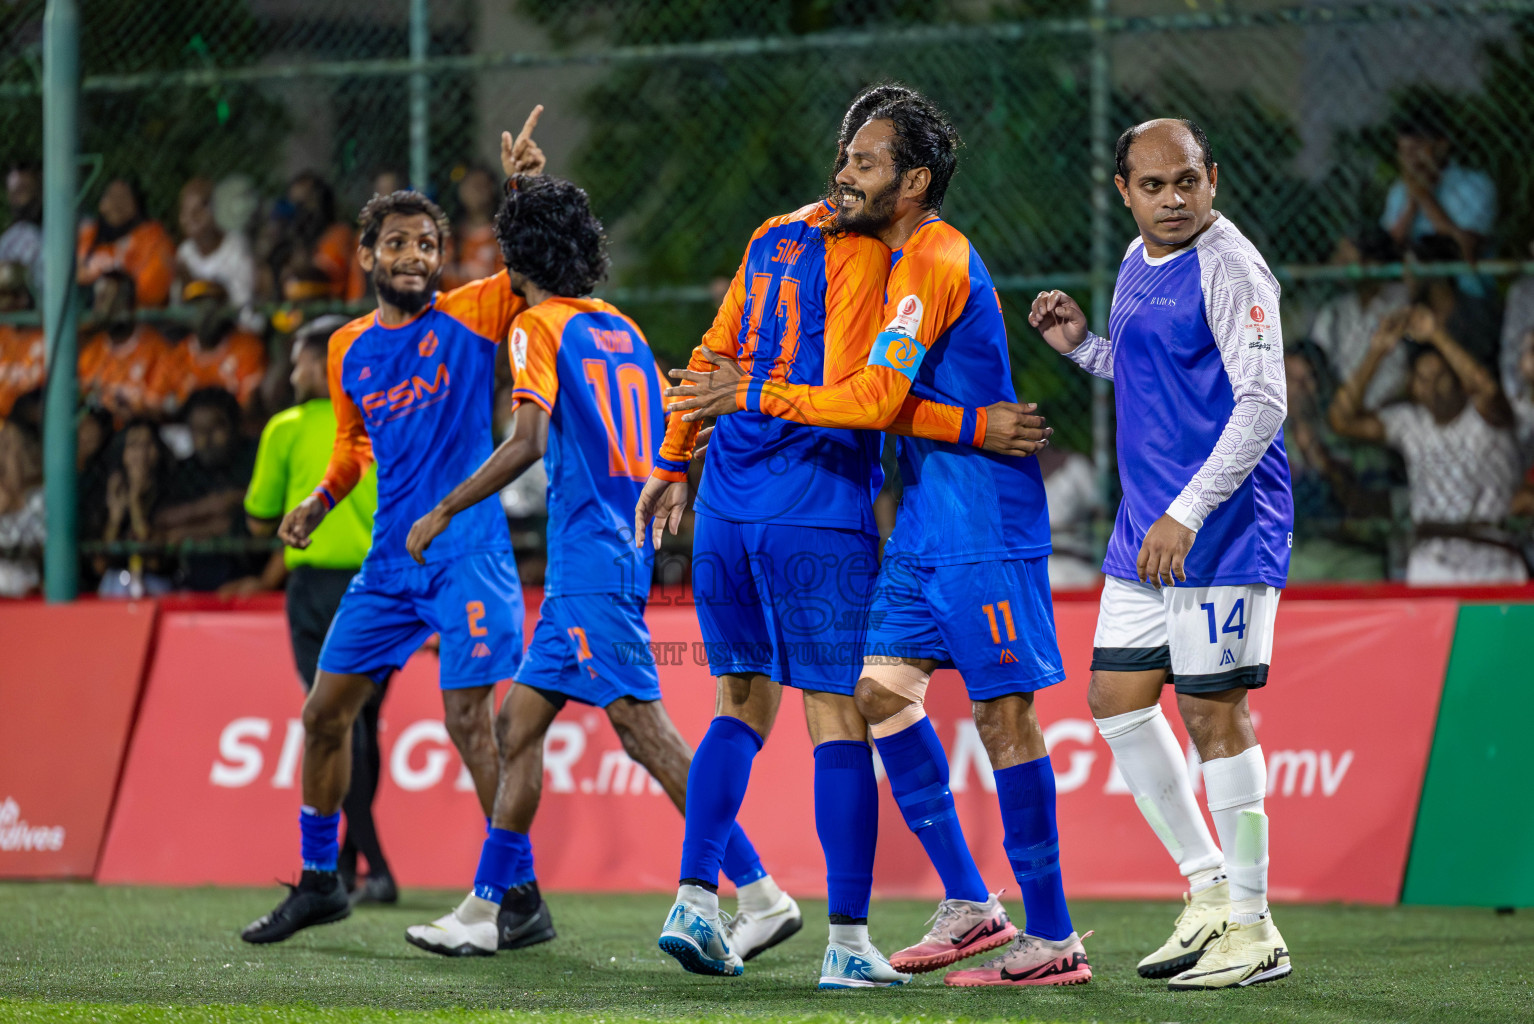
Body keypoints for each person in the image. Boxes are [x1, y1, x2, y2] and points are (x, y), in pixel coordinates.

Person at [662, 91, 1086, 989]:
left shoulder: (932, 256)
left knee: (1003, 716)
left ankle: (1052, 937)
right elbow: (864, 390)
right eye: (845, 157)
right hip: (925, 514)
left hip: (982, 522)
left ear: (914, 180)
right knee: (876, 692)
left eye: (864, 161)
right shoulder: (864, 256)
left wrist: (749, 396)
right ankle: (970, 905)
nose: (844, 173)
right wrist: (969, 421)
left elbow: (873, 400)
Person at [398, 174, 792, 959]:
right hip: (624, 546)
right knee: (519, 724)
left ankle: (760, 892)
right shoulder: (621, 327)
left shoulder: (536, 325)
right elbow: (660, 437)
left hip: (588, 558)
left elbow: (526, 441)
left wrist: (444, 508)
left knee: (646, 735)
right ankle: (486, 908)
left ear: (515, 259)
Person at [239, 108, 547, 946]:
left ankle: (516, 897)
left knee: (468, 724)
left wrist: (521, 185)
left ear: (440, 261)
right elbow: (350, 445)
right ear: (368, 256)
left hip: (468, 556)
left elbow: (532, 262)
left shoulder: (475, 314)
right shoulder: (345, 349)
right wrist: (317, 500)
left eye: (426, 246)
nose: (413, 256)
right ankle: (320, 880)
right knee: (323, 715)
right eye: (397, 243)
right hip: (388, 564)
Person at [1031, 117, 1293, 989]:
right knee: (1114, 701)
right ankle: (1210, 887)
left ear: (1212, 178)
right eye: (1154, 186)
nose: (1173, 199)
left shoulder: (1233, 266)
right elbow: (1157, 371)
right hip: (1149, 530)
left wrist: (1183, 513)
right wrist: (1082, 350)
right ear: (1124, 193)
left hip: (1219, 531)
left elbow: (1261, 403)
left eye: (1187, 181)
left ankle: (1255, 932)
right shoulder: (1136, 264)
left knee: (1213, 717)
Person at [232, 315, 395, 903]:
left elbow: (258, 516)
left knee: (332, 718)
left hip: (318, 589)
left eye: (302, 358)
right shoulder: (384, 421)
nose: (297, 370)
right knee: (366, 725)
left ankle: (373, 863)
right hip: (384, 581)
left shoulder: (287, 427)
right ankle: (355, 863)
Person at [1329, 306, 1526, 584]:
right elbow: (1341, 419)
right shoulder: (1409, 421)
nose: (1432, 388)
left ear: (1458, 378)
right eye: (1423, 380)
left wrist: (1436, 335)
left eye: (1441, 377)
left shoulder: (1486, 415)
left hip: (1493, 555)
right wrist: (1377, 352)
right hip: (1432, 558)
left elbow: (1487, 389)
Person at [157, 387, 258, 591]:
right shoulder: (186, 470)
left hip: (249, 574)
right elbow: (162, 520)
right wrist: (214, 505)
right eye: (197, 430)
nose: (206, 439)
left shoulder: (253, 457)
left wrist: (186, 529)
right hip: (196, 578)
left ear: (234, 426)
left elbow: (237, 523)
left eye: (215, 428)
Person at [1309, 227, 1409, 409]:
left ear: (1373, 264)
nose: (1336, 264)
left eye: (1346, 259)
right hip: (1342, 406)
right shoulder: (1335, 311)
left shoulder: (1403, 303)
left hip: (1394, 405)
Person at [1380, 112, 1495, 263]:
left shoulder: (1474, 184)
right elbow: (1387, 247)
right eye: (1403, 152)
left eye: (1417, 148)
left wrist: (1425, 197)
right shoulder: (1399, 190)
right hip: (1408, 278)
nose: (1410, 159)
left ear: (1442, 145)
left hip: (1459, 280)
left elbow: (1465, 246)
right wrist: (1411, 206)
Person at [77, 271, 173, 425]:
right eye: (101, 299)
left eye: (116, 300)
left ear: (131, 303)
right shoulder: (91, 351)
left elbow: (162, 413)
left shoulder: (157, 349)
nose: (107, 309)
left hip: (139, 431)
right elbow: (80, 402)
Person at [154, 281, 267, 410]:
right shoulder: (177, 355)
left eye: (212, 307)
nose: (204, 315)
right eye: (197, 307)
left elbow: (249, 406)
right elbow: (158, 407)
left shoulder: (247, 346)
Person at [76, 178, 177, 308]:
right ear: (101, 204)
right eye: (111, 196)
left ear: (135, 203)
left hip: (134, 321)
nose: (116, 204)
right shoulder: (88, 235)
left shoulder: (153, 237)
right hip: (85, 318)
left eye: (123, 197)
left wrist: (120, 291)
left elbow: (153, 295)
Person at [175, 177, 257, 313]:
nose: (189, 219)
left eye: (197, 211)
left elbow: (242, 307)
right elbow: (179, 310)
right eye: (185, 212)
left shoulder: (236, 246)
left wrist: (193, 283)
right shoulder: (185, 252)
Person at [441, 165, 504, 290]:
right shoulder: (449, 236)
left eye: (482, 185)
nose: (476, 191)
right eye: (470, 185)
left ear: (493, 190)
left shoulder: (503, 236)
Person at [0, 419, 44, 597]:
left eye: (9, 447)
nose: (3, 454)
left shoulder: (41, 497)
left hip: (31, 593)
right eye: (2, 445)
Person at [0, 262, 44, 420]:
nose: (3, 302)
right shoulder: (2, 332)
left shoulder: (47, 339)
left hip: (25, 430)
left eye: (8, 294)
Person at [0, 164, 44, 291]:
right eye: (13, 192)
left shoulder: (63, 228)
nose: (16, 198)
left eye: (23, 189)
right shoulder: (10, 239)